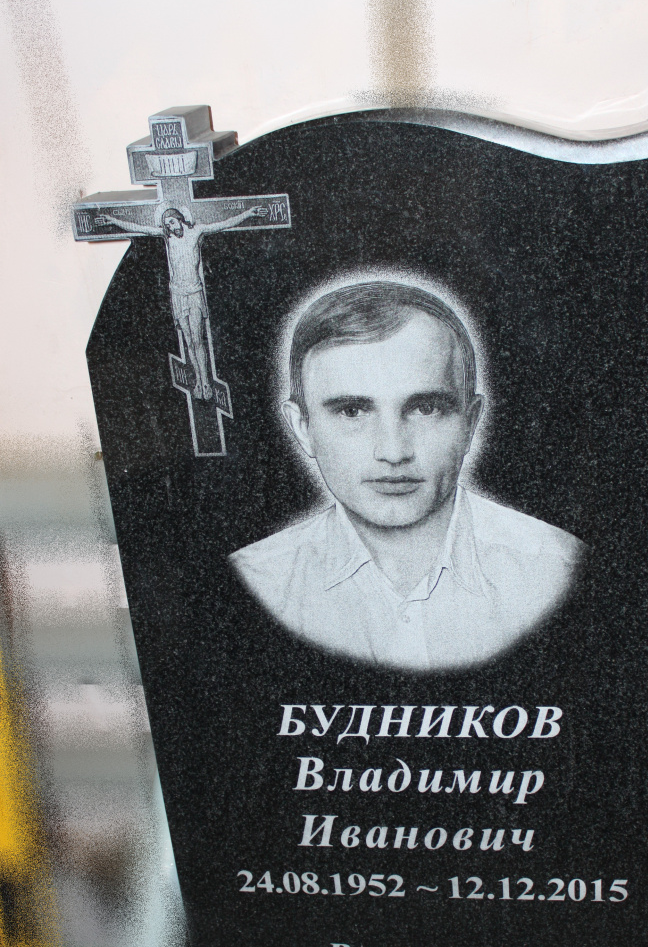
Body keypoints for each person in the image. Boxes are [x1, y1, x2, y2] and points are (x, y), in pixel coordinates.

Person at [230, 281, 582, 670]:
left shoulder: (562, 570)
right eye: (352, 411)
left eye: (426, 408)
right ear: (302, 428)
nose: (394, 452)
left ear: (470, 423)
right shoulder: (251, 582)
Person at [96, 204, 272, 401]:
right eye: (167, 225)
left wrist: (248, 213)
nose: (171, 227)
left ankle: (206, 382)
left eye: (172, 222)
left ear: (180, 218)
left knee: (197, 339)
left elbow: (224, 224)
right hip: (178, 295)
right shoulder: (168, 237)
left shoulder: (196, 231)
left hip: (194, 292)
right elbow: (139, 228)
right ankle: (198, 381)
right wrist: (113, 221)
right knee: (188, 340)